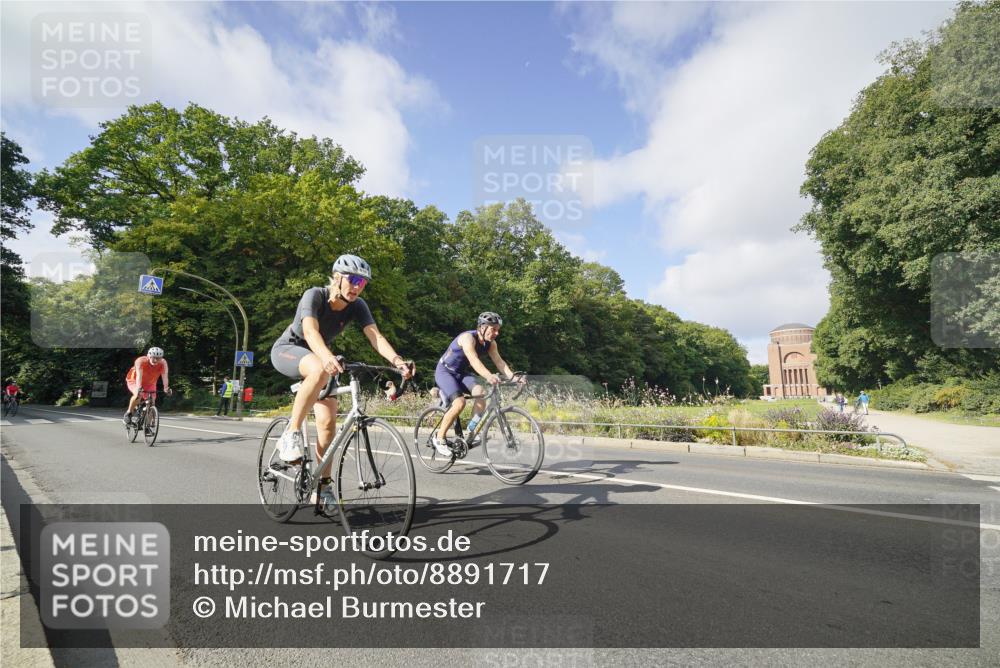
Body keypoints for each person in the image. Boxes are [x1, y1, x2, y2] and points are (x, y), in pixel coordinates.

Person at [269, 254, 413, 506]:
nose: (358, 286)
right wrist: (326, 357)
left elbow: (375, 336)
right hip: (288, 350)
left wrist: (398, 362)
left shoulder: (358, 306)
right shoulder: (314, 295)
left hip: (321, 359)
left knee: (327, 426)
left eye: (363, 282)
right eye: (353, 279)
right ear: (337, 277)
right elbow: (311, 332)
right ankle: (291, 433)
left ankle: (322, 486)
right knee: (319, 368)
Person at [432, 311, 519, 456]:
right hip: (445, 372)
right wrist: (488, 376)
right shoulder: (467, 338)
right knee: (460, 403)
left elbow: (500, 363)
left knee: (481, 392)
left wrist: (514, 378)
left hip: (461, 374)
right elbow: (474, 360)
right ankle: (439, 438)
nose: (496, 333)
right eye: (493, 329)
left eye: (498, 330)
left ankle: (472, 430)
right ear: (482, 327)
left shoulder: (491, 344)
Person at [124, 347, 172, 424]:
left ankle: (147, 426)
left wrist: (166, 388)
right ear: (149, 356)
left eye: (158, 358)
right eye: (154, 358)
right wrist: (139, 388)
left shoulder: (163, 363)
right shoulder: (140, 361)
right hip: (134, 380)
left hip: (150, 382)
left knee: (152, 402)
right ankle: (129, 413)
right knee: (138, 395)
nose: (156, 360)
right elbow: (139, 376)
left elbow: (165, 376)